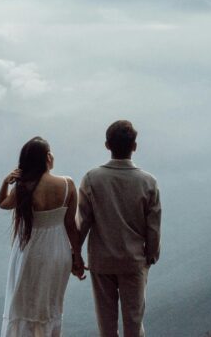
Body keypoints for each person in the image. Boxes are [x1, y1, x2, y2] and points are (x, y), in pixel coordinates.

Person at [74, 120, 161, 337]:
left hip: (101, 262)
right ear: (134, 146)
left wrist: (75, 255)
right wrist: (150, 255)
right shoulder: (148, 182)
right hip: (133, 261)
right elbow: (153, 226)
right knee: (134, 323)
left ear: (107, 145)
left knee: (106, 325)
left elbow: (82, 222)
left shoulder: (91, 179)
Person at [0, 136, 82, 337]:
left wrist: (5, 182)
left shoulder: (24, 187)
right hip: (58, 252)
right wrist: (77, 257)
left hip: (29, 251)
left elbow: (3, 204)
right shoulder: (68, 184)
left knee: (23, 305)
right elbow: (71, 225)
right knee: (50, 305)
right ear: (47, 157)